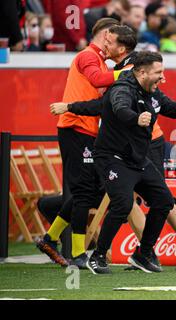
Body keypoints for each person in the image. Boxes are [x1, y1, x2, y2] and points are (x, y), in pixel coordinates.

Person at [85, 51, 176, 274]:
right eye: (159, 73)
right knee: (122, 204)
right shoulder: (122, 89)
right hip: (112, 158)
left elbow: (175, 108)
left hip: (137, 158)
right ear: (141, 72)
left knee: (164, 201)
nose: (163, 77)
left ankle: (143, 253)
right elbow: (120, 108)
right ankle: (98, 256)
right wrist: (135, 118)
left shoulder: (153, 93)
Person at [35, 18, 120, 268]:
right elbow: (96, 80)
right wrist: (126, 72)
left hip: (85, 130)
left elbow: (99, 93)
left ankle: (50, 238)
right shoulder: (87, 56)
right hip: (75, 128)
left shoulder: (99, 60)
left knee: (88, 190)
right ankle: (78, 253)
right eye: (117, 40)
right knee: (83, 191)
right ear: (107, 36)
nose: (119, 46)